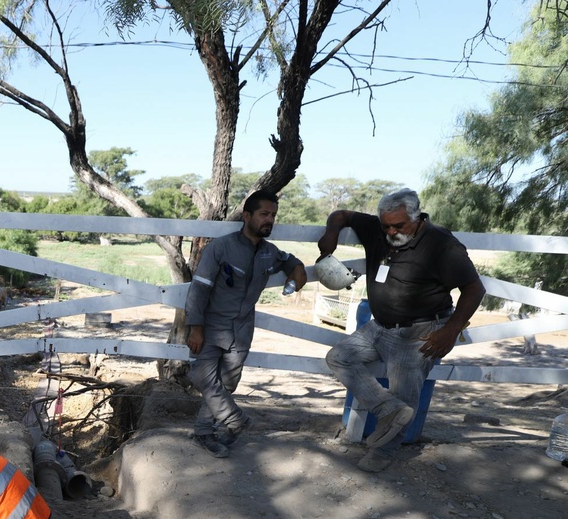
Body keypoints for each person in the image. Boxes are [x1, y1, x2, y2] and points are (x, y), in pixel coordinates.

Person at [318, 188, 486, 473]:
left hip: (420, 330)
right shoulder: (377, 228)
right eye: (387, 225)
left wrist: (451, 329)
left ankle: (383, 452)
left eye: (399, 225)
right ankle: (387, 409)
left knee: (405, 392)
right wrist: (331, 235)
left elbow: (474, 288)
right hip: (377, 326)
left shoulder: (442, 244)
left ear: (417, 217)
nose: (392, 231)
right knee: (339, 357)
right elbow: (341, 214)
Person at [185, 189, 307, 457]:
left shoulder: (269, 253)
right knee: (201, 376)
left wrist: (297, 272)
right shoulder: (220, 247)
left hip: (241, 330)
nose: (270, 220)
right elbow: (199, 289)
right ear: (247, 216)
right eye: (264, 214)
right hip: (210, 325)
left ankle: (204, 432)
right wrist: (195, 328)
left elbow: (291, 262)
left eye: (273, 215)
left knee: (227, 383)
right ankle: (236, 421)